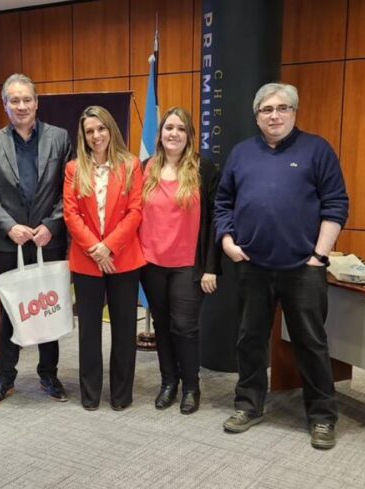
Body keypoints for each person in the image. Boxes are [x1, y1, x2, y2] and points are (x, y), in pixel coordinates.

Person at [214, 82, 349, 449]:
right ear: (256, 115)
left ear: (294, 112)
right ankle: (249, 405)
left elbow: (336, 204)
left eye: (282, 108)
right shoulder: (241, 154)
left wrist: (318, 256)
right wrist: (227, 242)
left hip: (303, 268)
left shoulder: (317, 150)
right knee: (250, 340)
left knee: (310, 342)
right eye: (266, 109)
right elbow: (223, 202)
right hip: (252, 266)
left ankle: (322, 417)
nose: (274, 115)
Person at [0, 73, 72, 407]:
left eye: (26, 99)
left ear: (37, 102)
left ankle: (49, 374)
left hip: (49, 240)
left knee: (48, 308)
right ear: (4, 104)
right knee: (11, 312)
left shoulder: (60, 138)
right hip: (11, 242)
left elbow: (69, 188)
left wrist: (52, 224)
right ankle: (5, 378)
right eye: (13, 100)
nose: (21, 106)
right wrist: (9, 226)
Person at [138, 107, 221, 415]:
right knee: (161, 325)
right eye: (168, 128)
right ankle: (168, 383)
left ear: (189, 136)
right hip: (150, 262)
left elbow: (215, 221)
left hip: (188, 263)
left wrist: (212, 267)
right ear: (160, 134)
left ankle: (191, 387)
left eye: (180, 129)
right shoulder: (145, 168)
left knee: (184, 327)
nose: (173, 133)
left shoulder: (205, 169)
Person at [63, 105, 145, 411]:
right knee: (89, 330)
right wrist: (95, 249)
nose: (96, 136)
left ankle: (121, 395)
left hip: (123, 259)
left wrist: (108, 246)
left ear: (111, 129)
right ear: (83, 137)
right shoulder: (74, 168)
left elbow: (136, 211)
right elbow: (71, 214)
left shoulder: (131, 165)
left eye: (101, 129)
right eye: (89, 131)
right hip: (87, 261)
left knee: (124, 330)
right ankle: (90, 394)